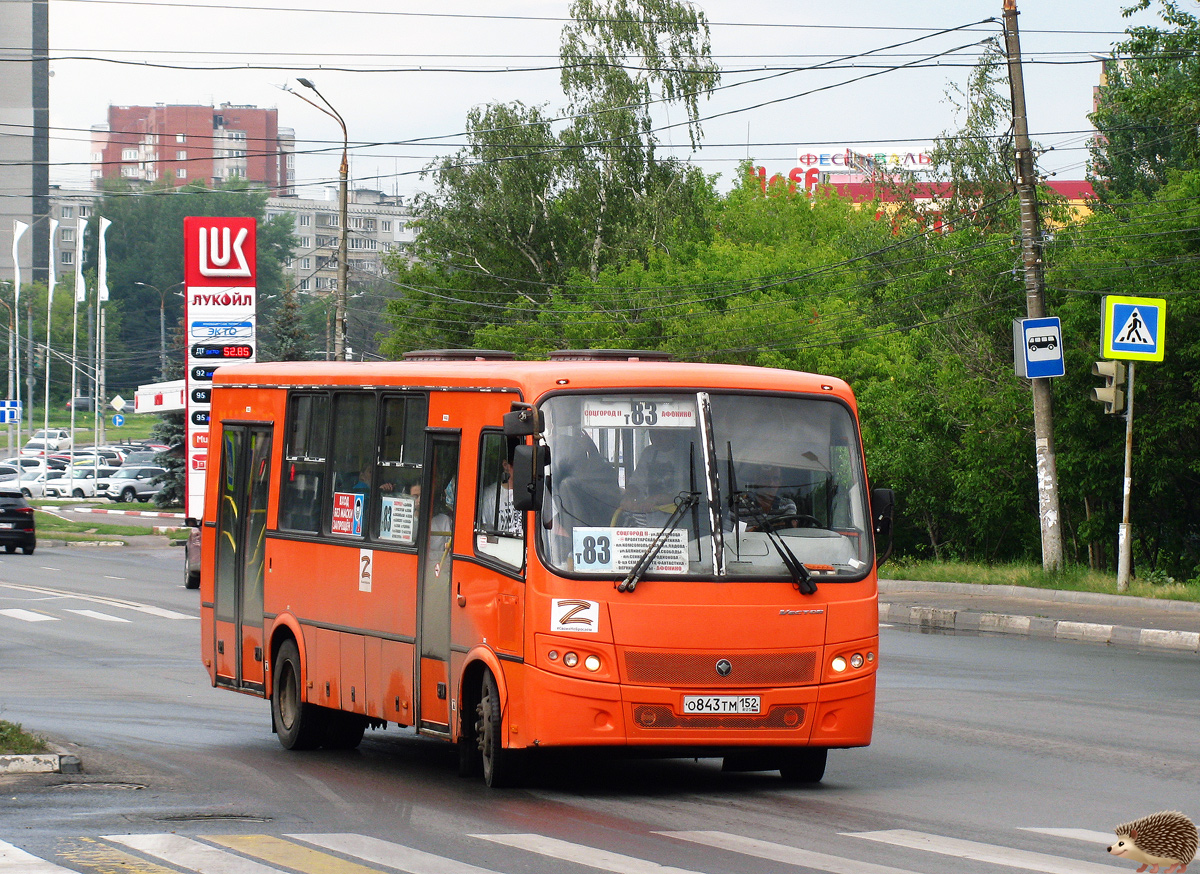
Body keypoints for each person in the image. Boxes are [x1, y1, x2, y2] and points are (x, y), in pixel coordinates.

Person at [479, 459, 523, 537]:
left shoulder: (533, 490)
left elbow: (549, 524)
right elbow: (485, 534)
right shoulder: (488, 497)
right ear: (505, 465)